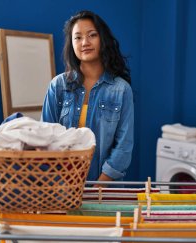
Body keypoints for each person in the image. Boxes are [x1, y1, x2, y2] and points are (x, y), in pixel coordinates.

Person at [41, 10, 134, 185]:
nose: (85, 42)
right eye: (78, 37)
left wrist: (98, 187)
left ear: (103, 39)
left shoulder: (121, 90)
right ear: (72, 44)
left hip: (105, 189)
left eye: (92, 35)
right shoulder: (58, 86)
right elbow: (45, 140)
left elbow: (123, 147)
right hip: (61, 188)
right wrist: (61, 185)